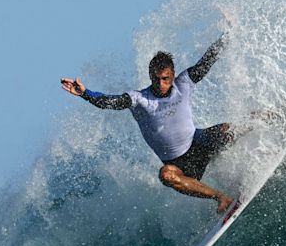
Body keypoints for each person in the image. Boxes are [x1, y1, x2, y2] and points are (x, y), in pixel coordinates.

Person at [61, 14, 236, 213]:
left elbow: (208, 61)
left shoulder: (184, 83)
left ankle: (274, 119)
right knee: (166, 175)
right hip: (179, 165)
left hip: (200, 141)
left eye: (165, 78)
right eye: (156, 79)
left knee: (228, 128)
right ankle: (221, 197)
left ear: (172, 74)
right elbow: (110, 102)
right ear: (150, 76)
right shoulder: (139, 100)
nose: (161, 84)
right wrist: (85, 93)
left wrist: (227, 35)